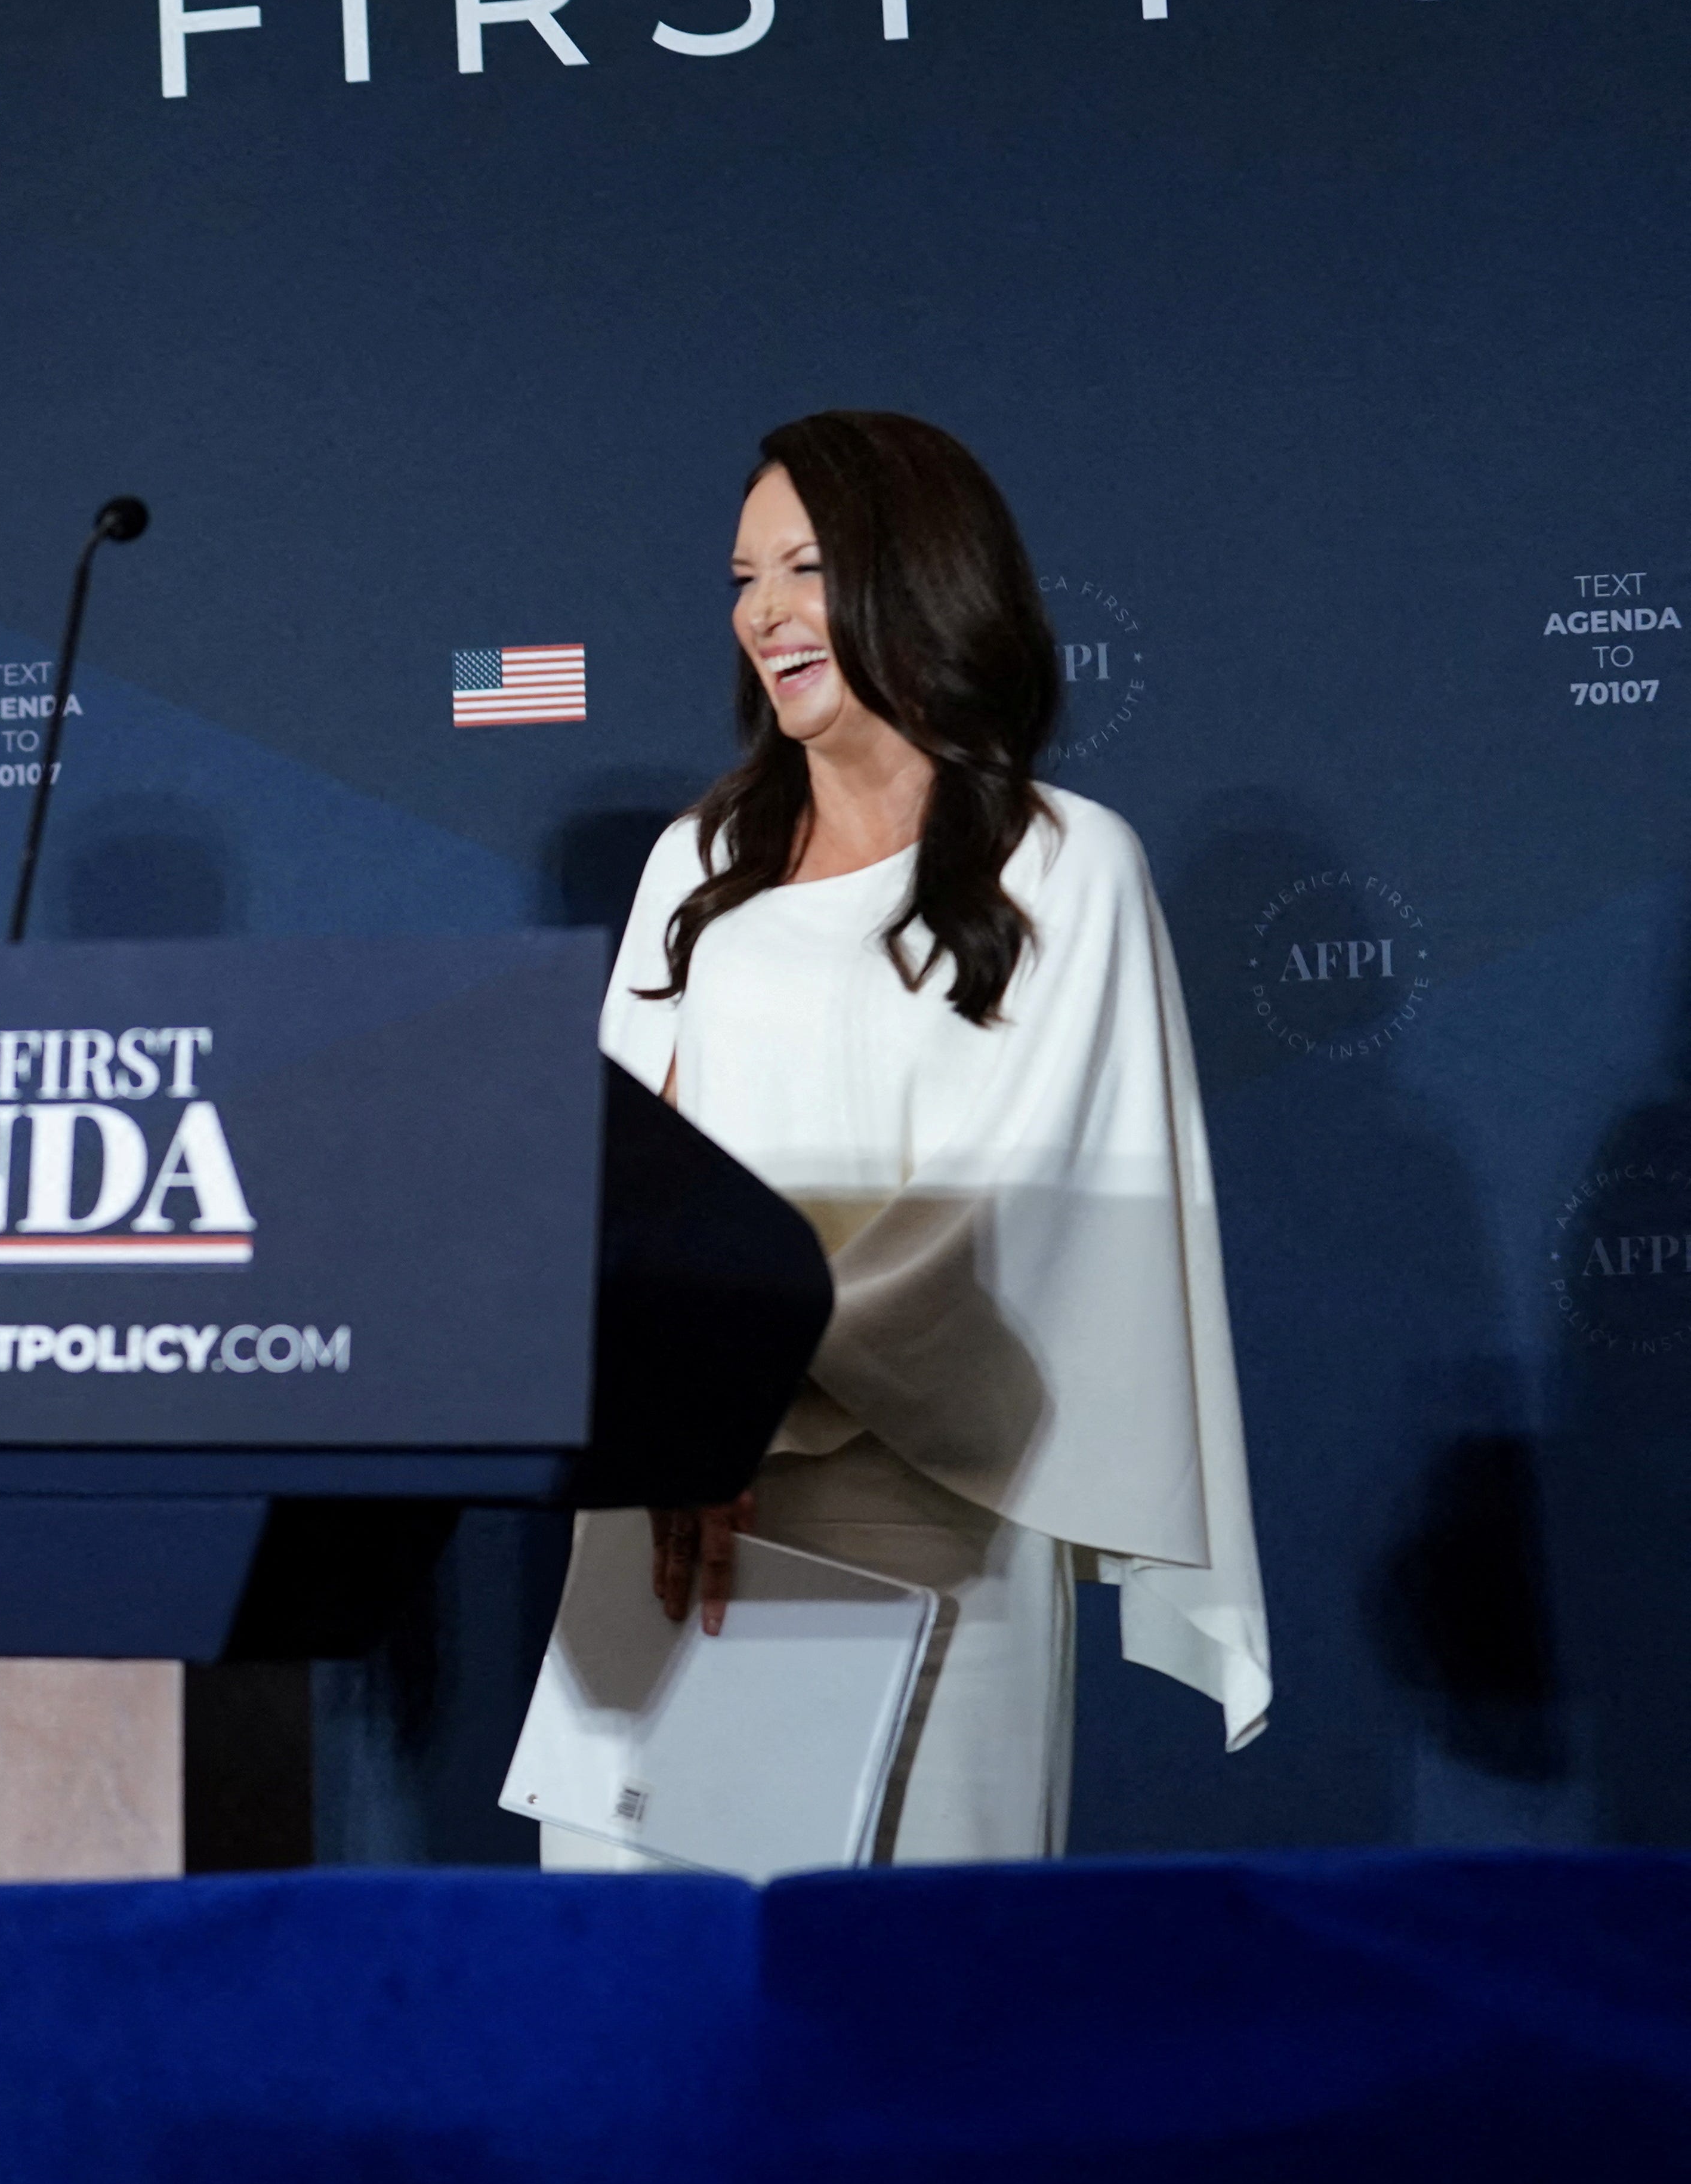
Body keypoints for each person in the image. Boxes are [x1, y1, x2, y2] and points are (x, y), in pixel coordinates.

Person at [537, 410, 1269, 1868]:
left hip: (929, 1501)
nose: (763, 613)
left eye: (804, 566)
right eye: (742, 577)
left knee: (913, 2013)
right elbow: (618, 1175)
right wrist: (670, 1430)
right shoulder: (698, 862)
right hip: (673, 1517)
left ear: (917, 576)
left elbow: (1011, 1220)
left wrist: (731, 1403)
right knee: (644, 2011)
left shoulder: (1066, 864)